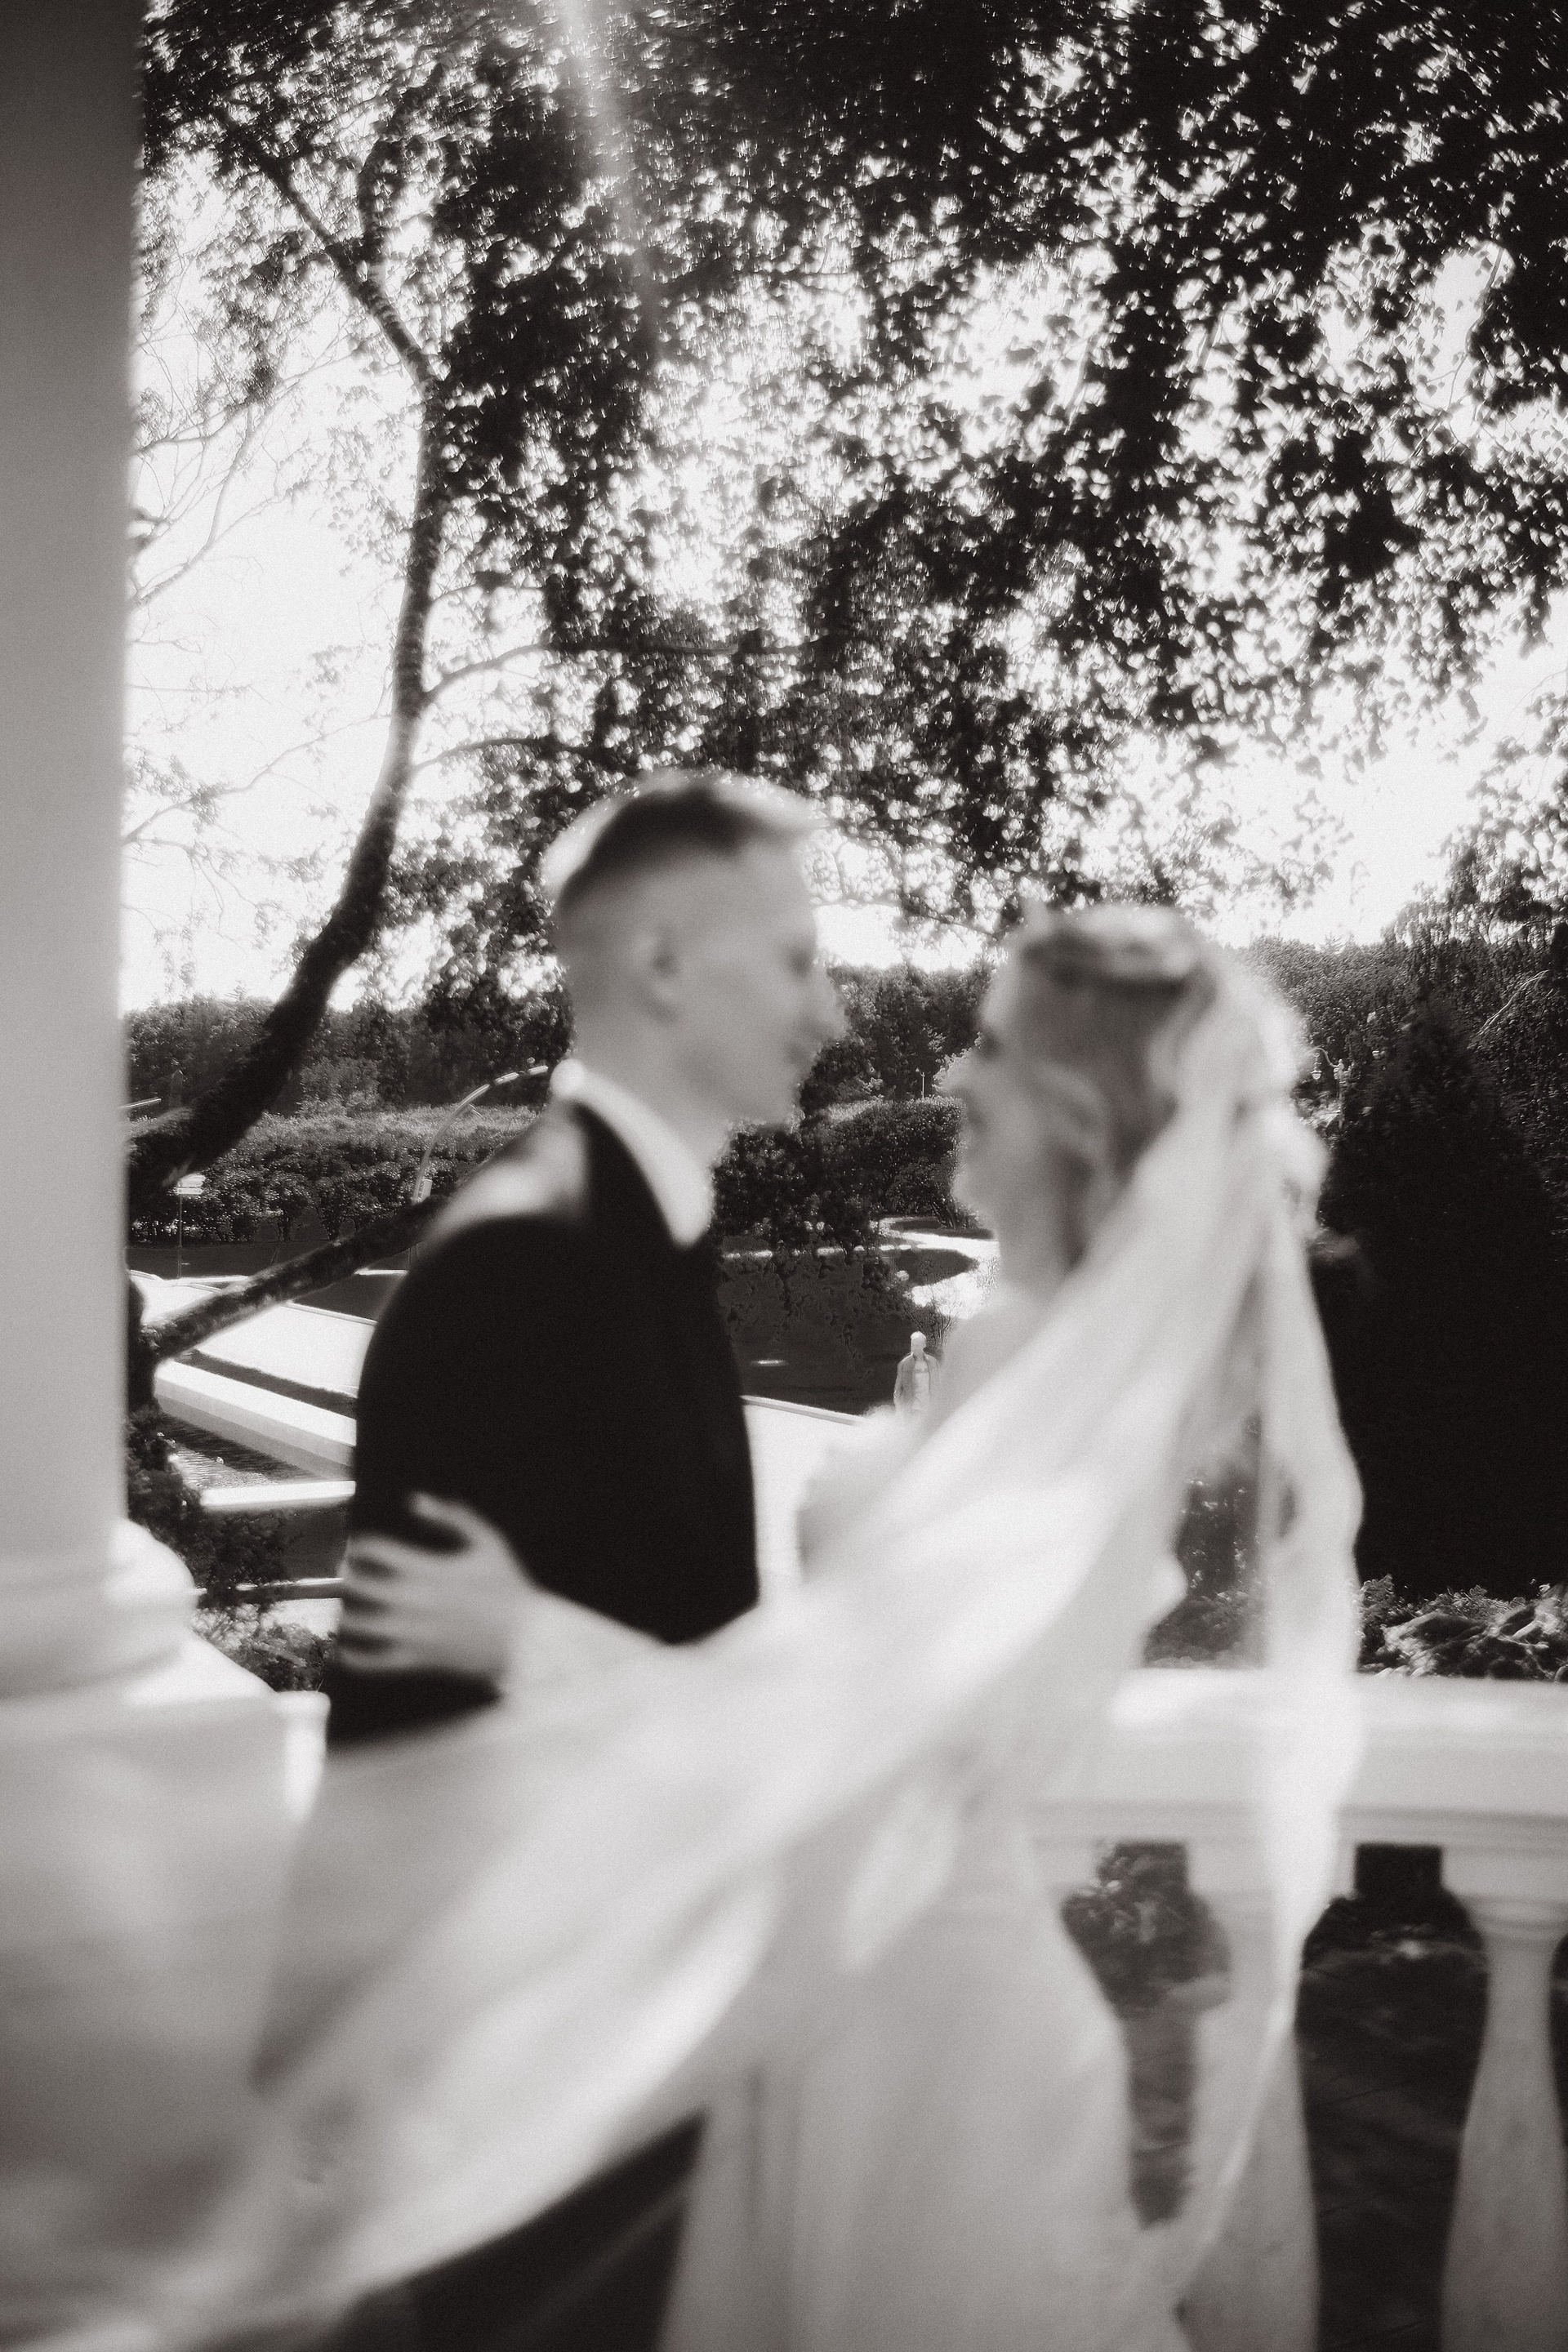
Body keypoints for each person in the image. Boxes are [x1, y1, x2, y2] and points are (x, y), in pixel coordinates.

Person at [176, 906, 1358, 2352]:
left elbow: (850, 1731)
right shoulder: (1042, 1351)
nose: (952, 1074)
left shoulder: (1030, 1364)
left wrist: (527, 1633)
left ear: (1072, 1102)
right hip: (878, 1993)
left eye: (991, 1045)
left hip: (929, 2031)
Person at [320, 767, 840, 2352]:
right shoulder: (526, 1266)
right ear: (665, 963)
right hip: (541, 2069)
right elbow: (411, 1716)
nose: (830, 1010)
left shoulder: (637, 1238)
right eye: (797, 958)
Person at [892, 1330, 933, 1417]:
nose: (914, 1347)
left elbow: (937, 1384)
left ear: (924, 1345)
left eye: (917, 1345)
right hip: (912, 1410)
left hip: (929, 1409)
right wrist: (899, 1409)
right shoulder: (904, 1364)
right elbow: (898, 1389)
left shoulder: (932, 1362)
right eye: (913, 1345)